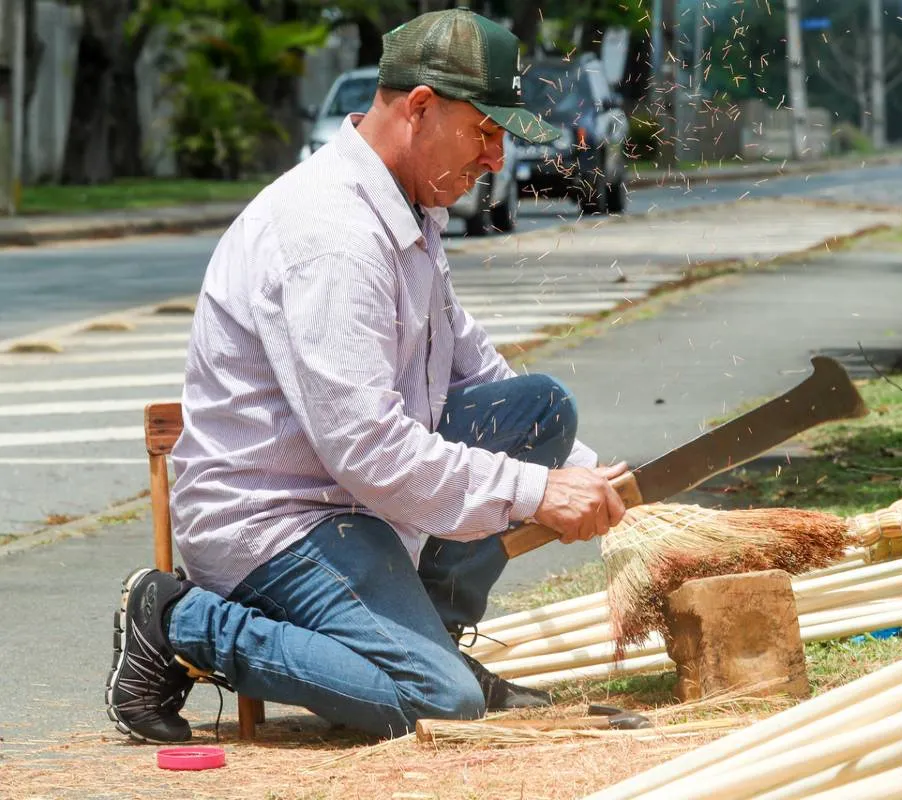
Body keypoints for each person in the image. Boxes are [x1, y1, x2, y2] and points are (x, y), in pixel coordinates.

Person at [105, 8, 627, 744]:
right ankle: (179, 619)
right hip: (277, 521)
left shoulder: (407, 207)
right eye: (486, 132)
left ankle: (428, 636)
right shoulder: (331, 238)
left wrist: (588, 475)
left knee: (540, 410)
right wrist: (537, 491)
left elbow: (471, 363)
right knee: (438, 702)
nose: (496, 159)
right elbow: (371, 452)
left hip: (351, 495)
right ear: (420, 108)